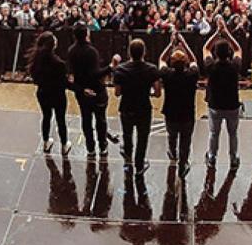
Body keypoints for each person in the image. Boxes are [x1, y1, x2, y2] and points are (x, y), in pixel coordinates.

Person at [112, 38, 160, 176]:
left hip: (126, 108)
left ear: (129, 53)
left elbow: (117, 93)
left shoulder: (121, 69)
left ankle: (128, 161)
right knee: (142, 138)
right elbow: (157, 93)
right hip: (144, 108)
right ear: (144, 52)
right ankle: (139, 165)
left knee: (127, 136)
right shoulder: (151, 69)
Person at [158, 29, 200, 178]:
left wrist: (171, 44)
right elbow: (194, 61)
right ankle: (183, 163)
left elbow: (161, 59)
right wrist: (185, 44)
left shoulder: (167, 74)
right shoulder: (192, 75)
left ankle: (172, 153)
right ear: (185, 63)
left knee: (172, 136)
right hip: (187, 114)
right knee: (186, 140)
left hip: (171, 113)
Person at [203, 21, 244, 168]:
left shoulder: (210, 66)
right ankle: (233, 159)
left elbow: (206, 48)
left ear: (215, 53)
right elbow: (238, 49)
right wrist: (226, 32)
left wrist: (216, 33)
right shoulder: (235, 66)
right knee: (233, 134)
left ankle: (212, 157)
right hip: (232, 105)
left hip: (215, 105)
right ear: (229, 53)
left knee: (214, 133)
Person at [67, 24, 112, 157]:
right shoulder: (91, 51)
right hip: (96, 91)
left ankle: (90, 147)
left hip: (81, 92)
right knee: (100, 120)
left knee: (86, 119)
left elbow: (72, 75)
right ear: (87, 34)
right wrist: (110, 67)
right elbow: (96, 74)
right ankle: (103, 146)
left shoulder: (71, 51)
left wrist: (80, 89)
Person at [29, 32, 71, 154]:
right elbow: (64, 83)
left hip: (43, 93)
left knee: (46, 117)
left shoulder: (36, 60)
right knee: (60, 119)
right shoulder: (59, 64)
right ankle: (64, 145)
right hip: (57, 94)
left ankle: (46, 142)